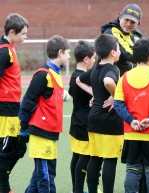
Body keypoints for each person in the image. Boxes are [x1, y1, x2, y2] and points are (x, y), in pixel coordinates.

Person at [114, 38, 149, 193]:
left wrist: (131, 121)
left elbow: (118, 104)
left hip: (132, 134)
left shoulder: (124, 77)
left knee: (132, 170)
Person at [18, 35, 71, 192]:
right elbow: (27, 102)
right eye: (68, 53)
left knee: (41, 176)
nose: (69, 56)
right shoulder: (43, 75)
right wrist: (23, 130)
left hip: (50, 133)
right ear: (60, 52)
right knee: (45, 179)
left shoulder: (56, 74)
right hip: (41, 133)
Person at [76, 34, 123, 193]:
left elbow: (79, 80)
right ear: (112, 52)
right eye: (118, 48)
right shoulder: (113, 69)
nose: (120, 51)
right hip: (109, 119)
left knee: (95, 158)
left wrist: (95, 94)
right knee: (109, 159)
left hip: (93, 119)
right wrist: (117, 97)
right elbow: (108, 82)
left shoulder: (95, 67)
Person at [0, 13, 28, 193]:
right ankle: (4, 187)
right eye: (23, 34)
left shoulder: (9, 48)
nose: (26, 37)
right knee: (7, 149)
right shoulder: (4, 51)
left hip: (12, 107)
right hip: (5, 108)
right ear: (12, 32)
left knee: (19, 146)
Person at [69, 40, 96, 193]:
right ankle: (78, 189)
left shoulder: (74, 75)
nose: (94, 61)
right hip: (85, 123)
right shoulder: (86, 78)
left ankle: (76, 189)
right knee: (84, 158)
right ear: (86, 59)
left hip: (75, 121)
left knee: (77, 156)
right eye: (93, 58)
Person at [101, 3, 142, 76]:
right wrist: (147, 58)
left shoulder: (136, 35)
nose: (129, 24)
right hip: (112, 78)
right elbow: (127, 54)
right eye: (126, 19)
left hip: (129, 78)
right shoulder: (111, 31)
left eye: (133, 22)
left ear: (138, 24)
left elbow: (144, 49)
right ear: (120, 17)